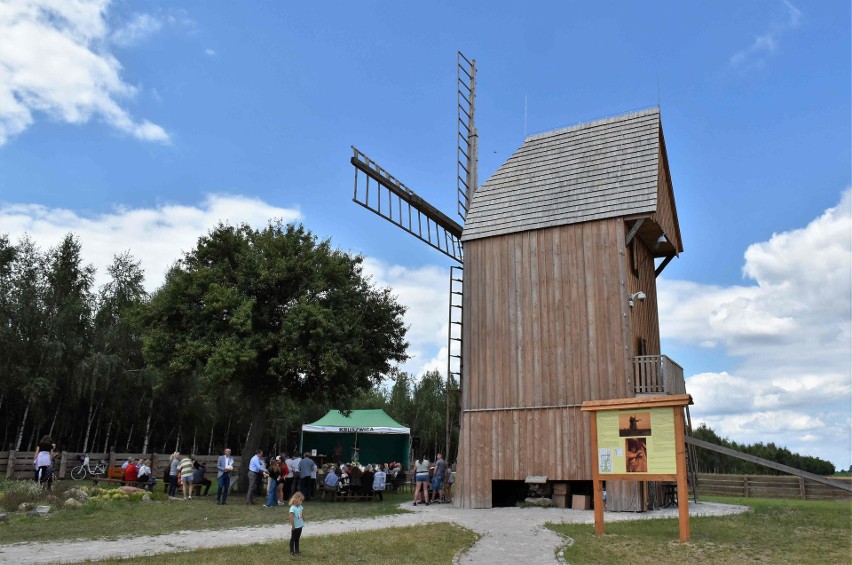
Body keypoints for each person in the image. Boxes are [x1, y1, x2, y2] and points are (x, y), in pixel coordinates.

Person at [288, 491, 305, 557]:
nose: (301, 502)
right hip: (295, 527)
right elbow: (291, 518)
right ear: (296, 499)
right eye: (300, 500)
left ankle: (297, 550)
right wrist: (293, 526)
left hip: (300, 526)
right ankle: (292, 551)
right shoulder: (292, 508)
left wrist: (303, 518)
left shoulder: (300, 506)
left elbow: (302, 513)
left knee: (297, 538)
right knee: (293, 538)